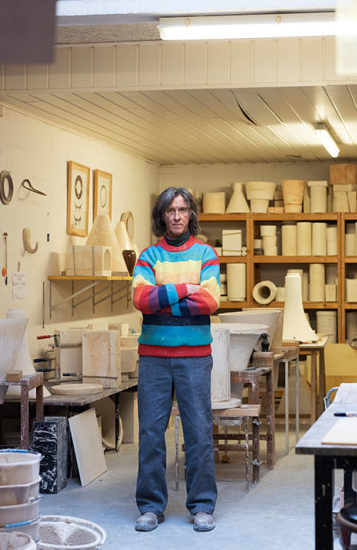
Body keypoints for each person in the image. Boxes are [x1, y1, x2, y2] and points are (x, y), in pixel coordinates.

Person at [132, 187, 221, 533]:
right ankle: (151, 506)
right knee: (151, 433)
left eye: (183, 210)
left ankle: (202, 506)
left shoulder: (205, 254)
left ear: (190, 214)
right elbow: (141, 299)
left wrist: (163, 296)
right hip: (153, 357)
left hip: (195, 356)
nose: (177, 216)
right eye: (170, 210)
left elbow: (211, 301)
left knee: (198, 432)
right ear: (162, 216)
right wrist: (187, 288)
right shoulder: (148, 256)